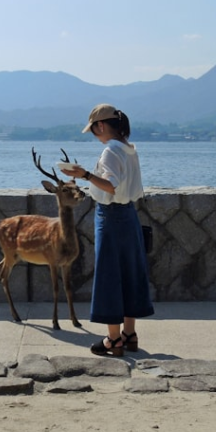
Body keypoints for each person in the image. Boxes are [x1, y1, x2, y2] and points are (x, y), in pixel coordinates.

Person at [61, 104, 154, 356]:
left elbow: (110, 185)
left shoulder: (110, 151)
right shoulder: (129, 149)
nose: (94, 135)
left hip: (110, 217)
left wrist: (85, 175)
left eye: (93, 130)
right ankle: (129, 334)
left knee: (110, 275)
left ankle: (113, 339)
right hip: (129, 215)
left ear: (101, 125)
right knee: (130, 274)